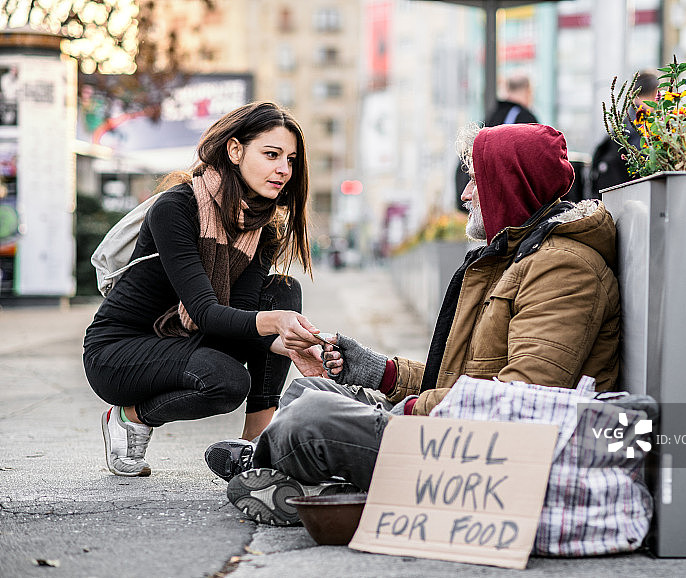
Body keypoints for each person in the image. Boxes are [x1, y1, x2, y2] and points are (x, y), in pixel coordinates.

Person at [208, 123, 621, 526]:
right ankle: (313, 484)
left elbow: (520, 400)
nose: (465, 194)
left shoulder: (565, 268)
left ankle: (280, 470)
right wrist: (378, 371)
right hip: (461, 430)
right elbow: (460, 380)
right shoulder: (516, 258)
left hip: (489, 455)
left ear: (510, 184)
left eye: (476, 180)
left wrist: (406, 412)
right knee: (308, 390)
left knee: (309, 417)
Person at [83, 101, 327, 478]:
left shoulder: (262, 228)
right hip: (119, 351)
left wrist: (290, 342)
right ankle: (128, 417)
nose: (284, 169)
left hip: (189, 340)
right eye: (272, 154)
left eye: (291, 160)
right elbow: (207, 313)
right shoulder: (175, 208)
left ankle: (255, 446)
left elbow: (242, 312)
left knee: (282, 290)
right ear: (234, 150)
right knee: (227, 381)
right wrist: (275, 324)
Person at [455, 74, 539, 211]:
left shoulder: (495, 114)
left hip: (474, 198)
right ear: (529, 91)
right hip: (498, 204)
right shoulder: (524, 118)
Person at [590, 70, 658, 196]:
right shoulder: (648, 123)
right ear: (656, 93)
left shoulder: (624, 120)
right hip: (636, 196)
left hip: (613, 195)